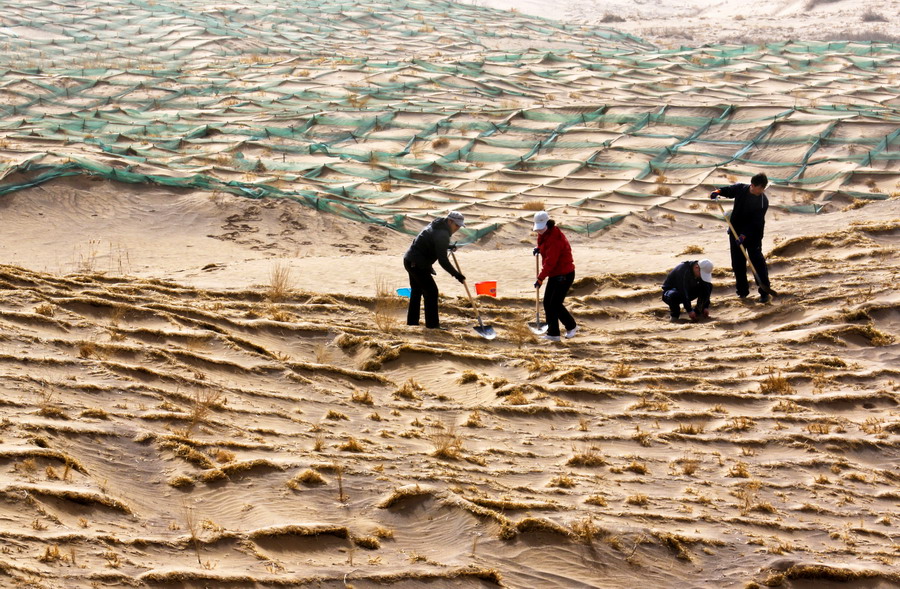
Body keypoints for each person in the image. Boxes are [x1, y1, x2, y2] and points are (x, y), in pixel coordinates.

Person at [710, 173, 772, 303]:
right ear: (752, 185)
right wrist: (718, 191)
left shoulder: (762, 201)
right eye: (760, 188)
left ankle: (764, 292)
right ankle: (742, 292)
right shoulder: (741, 189)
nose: (762, 191)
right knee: (738, 263)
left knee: (757, 262)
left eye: (763, 188)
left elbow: (756, 222)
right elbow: (728, 190)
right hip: (735, 231)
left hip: (753, 234)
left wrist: (744, 235)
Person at [403, 211, 466, 329]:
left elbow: (432, 241)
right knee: (431, 292)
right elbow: (443, 260)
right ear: (450, 221)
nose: (457, 228)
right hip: (417, 264)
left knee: (417, 291)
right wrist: (456, 274)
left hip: (409, 260)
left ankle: (412, 322)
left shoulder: (437, 225)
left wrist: (447, 247)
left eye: (459, 226)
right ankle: (432, 325)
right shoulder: (442, 233)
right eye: (456, 225)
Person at [533, 211, 577, 342]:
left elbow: (550, 262)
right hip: (555, 273)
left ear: (547, 224)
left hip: (564, 274)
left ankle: (571, 326)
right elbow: (544, 245)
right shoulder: (545, 234)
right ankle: (553, 334)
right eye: (538, 229)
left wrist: (540, 278)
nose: (539, 231)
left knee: (555, 303)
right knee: (548, 303)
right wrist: (539, 249)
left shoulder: (554, 239)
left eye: (541, 228)